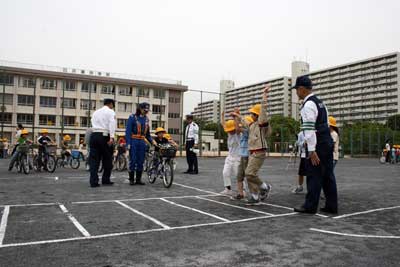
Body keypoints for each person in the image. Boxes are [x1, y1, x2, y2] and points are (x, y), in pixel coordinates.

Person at [292, 75, 338, 214]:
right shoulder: (320, 103)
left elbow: (309, 128)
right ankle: (332, 205)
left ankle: (310, 206)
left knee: (314, 175)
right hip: (326, 141)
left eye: (296, 89)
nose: (296, 92)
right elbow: (327, 124)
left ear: (301, 89)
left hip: (317, 144)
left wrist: (312, 150)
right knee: (328, 176)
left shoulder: (308, 105)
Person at [231, 85, 272, 205]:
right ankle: (255, 196)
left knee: (249, 173)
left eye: (253, 114)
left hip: (259, 151)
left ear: (258, 116)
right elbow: (244, 122)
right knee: (250, 174)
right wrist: (238, 116)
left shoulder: (261, 123)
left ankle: (265, 187)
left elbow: (263, 110)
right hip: (252, 152)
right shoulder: (252, 125)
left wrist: (264, 95)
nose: (252, 115)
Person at [126, 102, 157, 185]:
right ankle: (131, 179)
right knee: (133, 160)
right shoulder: (132, 117)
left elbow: (147, 135)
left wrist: (152, 141)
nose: (146, 112)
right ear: (140, 109)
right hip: (134, 141)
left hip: (142, 142)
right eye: (144, 110)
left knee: (141, 161)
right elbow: (128, 131)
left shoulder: (146, 119)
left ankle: (138, 179)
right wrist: (128, 143)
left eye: (147, 110)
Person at [89, 98, 117, 187]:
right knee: (107, 159)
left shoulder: (95, 112)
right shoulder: (110, 112)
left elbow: (92, 123)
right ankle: (105, 179)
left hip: (94, 135)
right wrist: (112, 137)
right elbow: (112, 124)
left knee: (94, 160)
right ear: (111, 104)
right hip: (105, 135)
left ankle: (93, 181)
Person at [231, 113, 253, 200]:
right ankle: (240, 194)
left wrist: (236, 117)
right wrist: (236, 118)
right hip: (243, 155)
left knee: (249, 176)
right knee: (239, 176)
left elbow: (237, 129)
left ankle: (254, 194)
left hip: (247, 155)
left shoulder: (249, 130)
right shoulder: (245, 130)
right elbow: (237, 129)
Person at [219, 111, 241, 196]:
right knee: (225, 172)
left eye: (231, 130)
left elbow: (238, 125)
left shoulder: (238, 133)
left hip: (238, 157)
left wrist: (236, 117)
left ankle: (243, 190)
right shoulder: (229, 133)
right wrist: (222, 115)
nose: (230, 131)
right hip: (230, 156)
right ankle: (228, 189)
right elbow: (223, 124)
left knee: (238, 175)